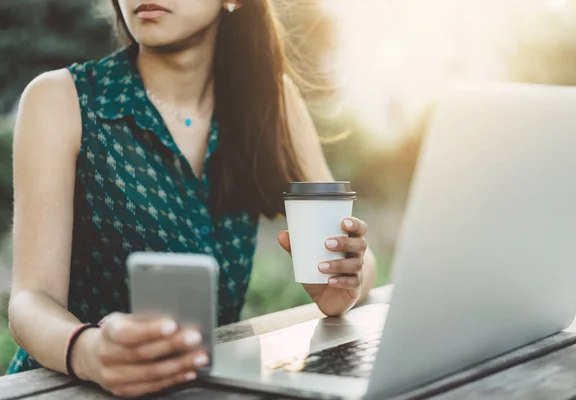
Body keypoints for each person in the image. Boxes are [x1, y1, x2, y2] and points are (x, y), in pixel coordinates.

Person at [7, 0, 376, 397]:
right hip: (65, 389)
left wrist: (341, 284)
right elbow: (30, 301)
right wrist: (88, 351)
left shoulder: (271, 99)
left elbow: (360, 261)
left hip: (201, 389)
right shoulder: (60, 99)